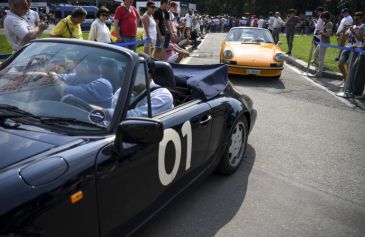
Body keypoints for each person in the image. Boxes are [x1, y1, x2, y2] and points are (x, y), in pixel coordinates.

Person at [49, 58, 113, 108]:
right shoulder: (78, 77)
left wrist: (55, 80)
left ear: (85, 65)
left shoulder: (102, 84)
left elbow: (66, 91)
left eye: (77, 63)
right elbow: (58, 76)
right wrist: (47, 75)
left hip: (91, 123)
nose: (74, 66)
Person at [338, 11, 365, 88]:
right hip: (347, 47)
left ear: (361, 19)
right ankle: (346, 79)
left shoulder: (363, 26)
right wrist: (342, 33)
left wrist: (353, 31)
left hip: (356, 48)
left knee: (350, 66)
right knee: (340, 64)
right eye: (354, 19)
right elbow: (346, 36)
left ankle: (348, 83)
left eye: (357, 19)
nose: (355, 21)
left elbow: (360, 38)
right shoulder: (352, 26)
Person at [314, 11, 333, 78]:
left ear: (325, 17)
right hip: (321, 42)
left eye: (322, 18)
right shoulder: (326, 23)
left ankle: (319, 73)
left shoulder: (329, 24)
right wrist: (320, 32)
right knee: (315, 55)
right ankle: (319, 68)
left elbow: (328, 34)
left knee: (321, 59)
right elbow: (325, 32)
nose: (321, 19)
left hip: (325, 43)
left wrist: (321, 33)